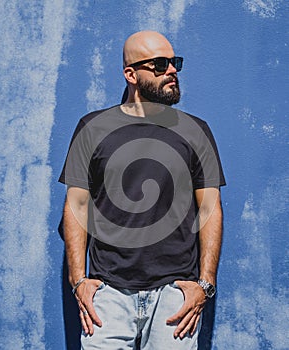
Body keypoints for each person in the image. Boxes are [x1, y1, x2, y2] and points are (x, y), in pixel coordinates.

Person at [59, 31, 226, 349]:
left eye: (174, 63)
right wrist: (78, 280)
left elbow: (210, 208)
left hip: (175, 295)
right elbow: (77, 205)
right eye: (160, 64)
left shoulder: (196, 130)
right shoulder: (92, 128)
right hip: (108, 292)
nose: (172, 71)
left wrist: (204, 285)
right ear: (131, 74)